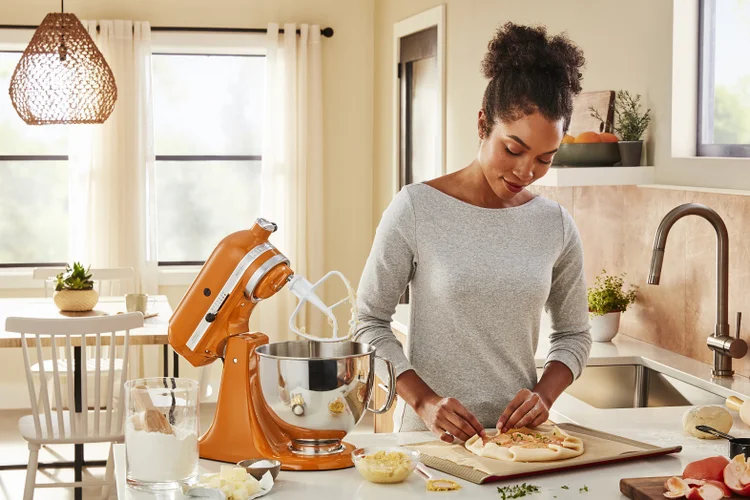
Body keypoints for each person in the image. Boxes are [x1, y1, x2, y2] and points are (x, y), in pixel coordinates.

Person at [354, 22, 592, 443]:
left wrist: (544, 396)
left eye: (544, 159)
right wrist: (424, 401)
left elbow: (573, 334)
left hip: (519, 443)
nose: (525, 171)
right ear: (483, 124)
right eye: (514, 149)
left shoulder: (554, 224)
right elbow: (368, 322)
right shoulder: (416, 208)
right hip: (431, 442)